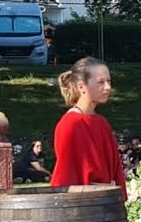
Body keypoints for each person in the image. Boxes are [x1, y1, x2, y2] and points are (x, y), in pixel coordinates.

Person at [51, 57, 126, 197]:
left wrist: (119, 198)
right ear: (81, 87)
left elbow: (116, 168)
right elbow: (65, 173)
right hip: (83, 205)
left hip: (107, 202)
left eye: (108, 81)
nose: (108, 87)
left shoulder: (102, 122)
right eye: (100, 82)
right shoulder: (70, 124)